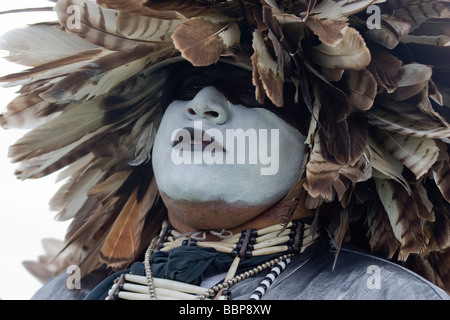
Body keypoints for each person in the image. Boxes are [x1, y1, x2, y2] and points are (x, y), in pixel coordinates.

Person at [1, 0, 449, 300]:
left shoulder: (381, 294)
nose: (203, 106)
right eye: (190, 85)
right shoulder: (68, 292)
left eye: (251, 91)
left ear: (327, 151)